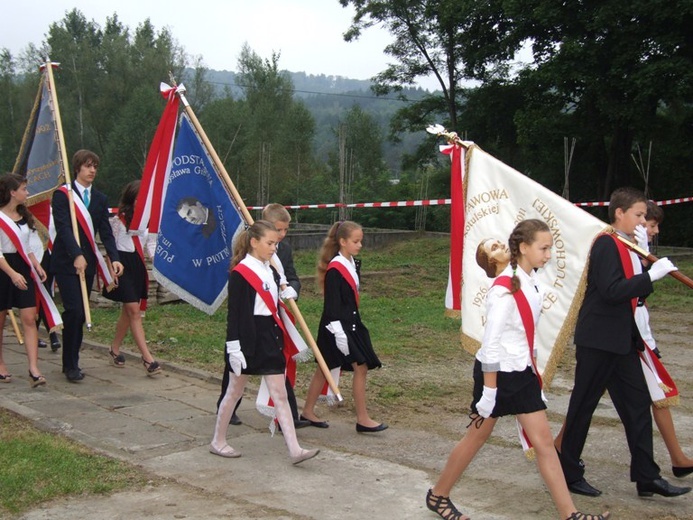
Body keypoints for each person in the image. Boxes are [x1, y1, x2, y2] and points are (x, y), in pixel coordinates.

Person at [426, 219, 609, 520]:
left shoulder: (528, 281)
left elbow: (527, 338)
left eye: (550, 248)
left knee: (545, 445)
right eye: (544, 248)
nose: (549, 254)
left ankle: (570, 515)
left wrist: (534, 378)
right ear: (524, 248)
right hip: (496, 377)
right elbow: (491, 344)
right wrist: (488, 391)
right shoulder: (502, 291)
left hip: (521, 375)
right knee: (475, 438)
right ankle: (438, 495)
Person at [557, 187, 690, 499]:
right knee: (583, 406)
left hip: (622, 340)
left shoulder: (627, 245)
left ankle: (647, 477)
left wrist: (643, 269)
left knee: (638, 407)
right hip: (599, 340)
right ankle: (568, 472)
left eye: (645, 216)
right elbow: (612, 291)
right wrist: (651, 275)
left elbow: (634, 294)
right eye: (639, 215)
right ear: (619, 213)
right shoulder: (606, 243)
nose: (644, 222)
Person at [210, 220, 319, 464]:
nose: (273, 248)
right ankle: (218, 441)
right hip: (248, 338)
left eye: (276, 244)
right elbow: (236, 314)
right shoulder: (240, 273)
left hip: (270, 337)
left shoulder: (269, 269)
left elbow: (270, 301)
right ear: (254, 242)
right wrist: (234, 347)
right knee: (234, 391)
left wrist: (286, 292)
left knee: (280, 393)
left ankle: (295, 449)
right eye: (270, 243)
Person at [218, 203, 310, 428]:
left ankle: (287, 419)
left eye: (286, 230)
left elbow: (291, 276)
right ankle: (227, 410)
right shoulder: (251, 247)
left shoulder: (283, 249)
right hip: (251, 322)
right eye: (278, 230)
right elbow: (240, 300)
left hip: (272, 321)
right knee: (236, 372)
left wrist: (291, 289)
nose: (282, 235)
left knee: (277, 369)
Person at [300, 220, 386, 432]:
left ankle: (308, 411)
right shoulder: (335, 270)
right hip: (336, 327)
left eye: (361, 241)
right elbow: (332, 306)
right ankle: (362, 419)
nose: (360, 245)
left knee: (325, 368)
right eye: (356, 241)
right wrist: (339, 332)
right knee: (358, 367)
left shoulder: (352, 263)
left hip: (352, 323)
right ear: (343, 241)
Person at [50, 150, 123, 382]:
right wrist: (76, 254)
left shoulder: (100, 198)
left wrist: (114, 257)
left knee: (80, 314)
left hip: (88, 263)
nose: (92, 170)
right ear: (77, 168)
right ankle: (70, 364)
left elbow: (106, 231)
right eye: (87, 166)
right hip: (66, 261)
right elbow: (63, 227)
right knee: (74, 310)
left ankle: (72, 361)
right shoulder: (63, 195)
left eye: (95, 166)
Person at [633, 201, 693, 476]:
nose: (655, 231)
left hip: (641, 331)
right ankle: (562, 446)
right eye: (651, 224)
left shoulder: (639, 251)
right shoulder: (622, 249)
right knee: (659, 393)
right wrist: (648, 269)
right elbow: (632, 291)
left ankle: (677, 458)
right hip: (628, 334)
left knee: (658, 395)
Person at [102, 180, 161, 376]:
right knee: (134, 311)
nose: (142, 203)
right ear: (131, 199)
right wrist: (110, 269)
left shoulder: (149, 221)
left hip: (137, 266)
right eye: (139, 199)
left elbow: (151, 245)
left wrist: (159, 262)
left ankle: (114, 348)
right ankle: (147, 359)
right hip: (121, 265)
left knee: (128, 313)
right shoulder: (118, 220)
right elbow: (110, 245)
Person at [0, 173, 53, 387]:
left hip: (24, 266)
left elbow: (28, 246)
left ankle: (33, 368)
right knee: (1, 320)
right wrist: (12, 274)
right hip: (4, 269)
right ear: (13, 192)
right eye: (24, 189)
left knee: (30, 317)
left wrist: (37, 265)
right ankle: (1, 364)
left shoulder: (25, 216)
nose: (27, 192)